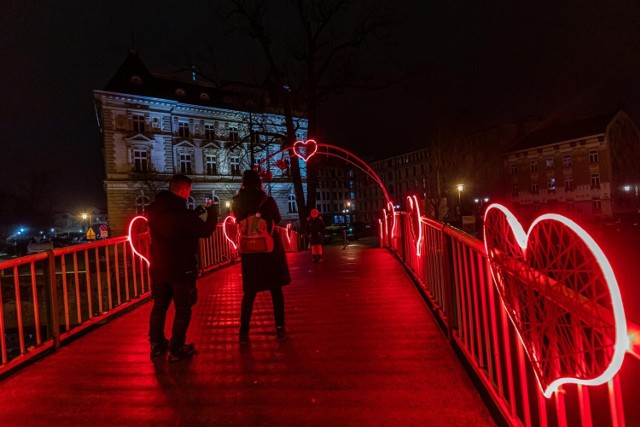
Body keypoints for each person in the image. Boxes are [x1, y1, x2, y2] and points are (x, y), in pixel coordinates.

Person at [148, 174, 218, 362]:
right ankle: (177, 347)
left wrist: (193, 214)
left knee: (160, 306)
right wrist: (213, 212)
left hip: (159, 266)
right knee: (183, 308)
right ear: (182, 190)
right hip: (182, 269)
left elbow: (177, 226)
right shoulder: (182, 213)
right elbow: (205, 230)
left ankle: (156, 344)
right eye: (188, 190)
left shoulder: (154, 210)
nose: (189, 194)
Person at [232, 169, 290, 344]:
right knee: (276, 290)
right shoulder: (267, 199)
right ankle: (280, 327)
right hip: (269, 248)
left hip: (250, 251)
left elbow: (237, 221)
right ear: (258, 182)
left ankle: (244, 330)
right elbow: (278, 218)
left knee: (249, 292)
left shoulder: (237, 201)